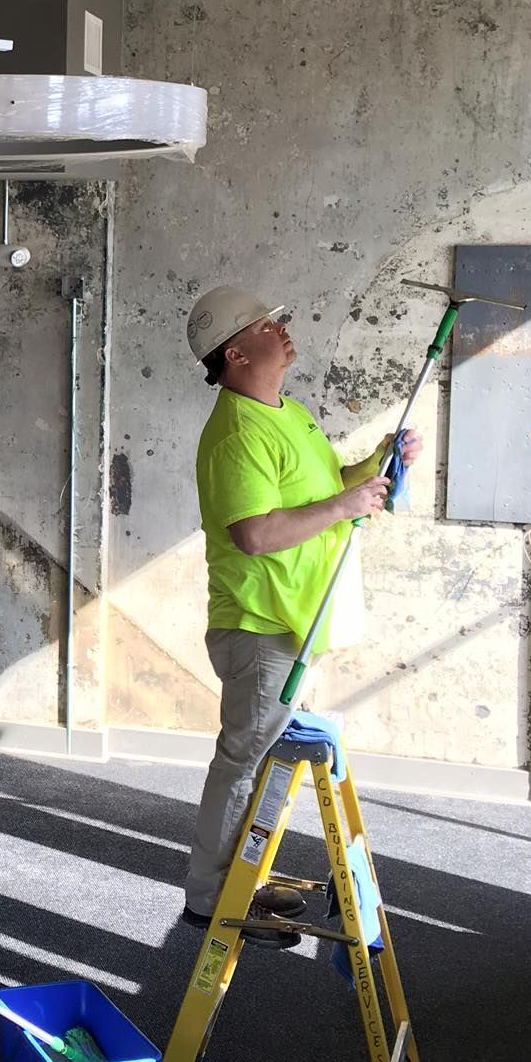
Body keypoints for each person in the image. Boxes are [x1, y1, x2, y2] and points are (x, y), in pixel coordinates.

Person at [181, 287, 422, 928]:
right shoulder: (237, 433)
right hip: (261, 626)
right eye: (268, 324)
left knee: (257, 763)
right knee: (242, 762)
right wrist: (347, 506)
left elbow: (323, 490)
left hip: (294, 622)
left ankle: (239, 883)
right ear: (235, 352)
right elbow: (254, 534)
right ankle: (210, 899)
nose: (284, 328)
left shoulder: (288, 412)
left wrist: (375, 466)